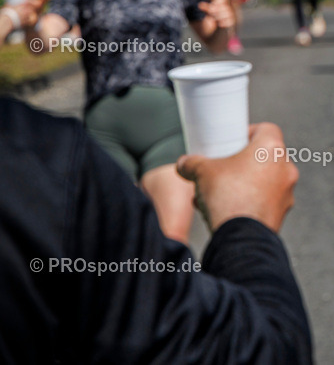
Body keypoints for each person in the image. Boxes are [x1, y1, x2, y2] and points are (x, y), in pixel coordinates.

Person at [0, 96, 312, 363]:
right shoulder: (42, 161)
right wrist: (246, 221)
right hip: (108, 137)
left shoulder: (40, 160)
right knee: (144, 278)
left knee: (158, 259)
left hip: (148, 132)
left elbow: (214, 39)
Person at [25, 0, 236, 244]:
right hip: (105, 132)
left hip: (168, 128)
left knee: (171, 242)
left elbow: (215, 43)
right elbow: (46, 39)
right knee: (114, 245)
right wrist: (32, 29)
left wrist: (224, 22)